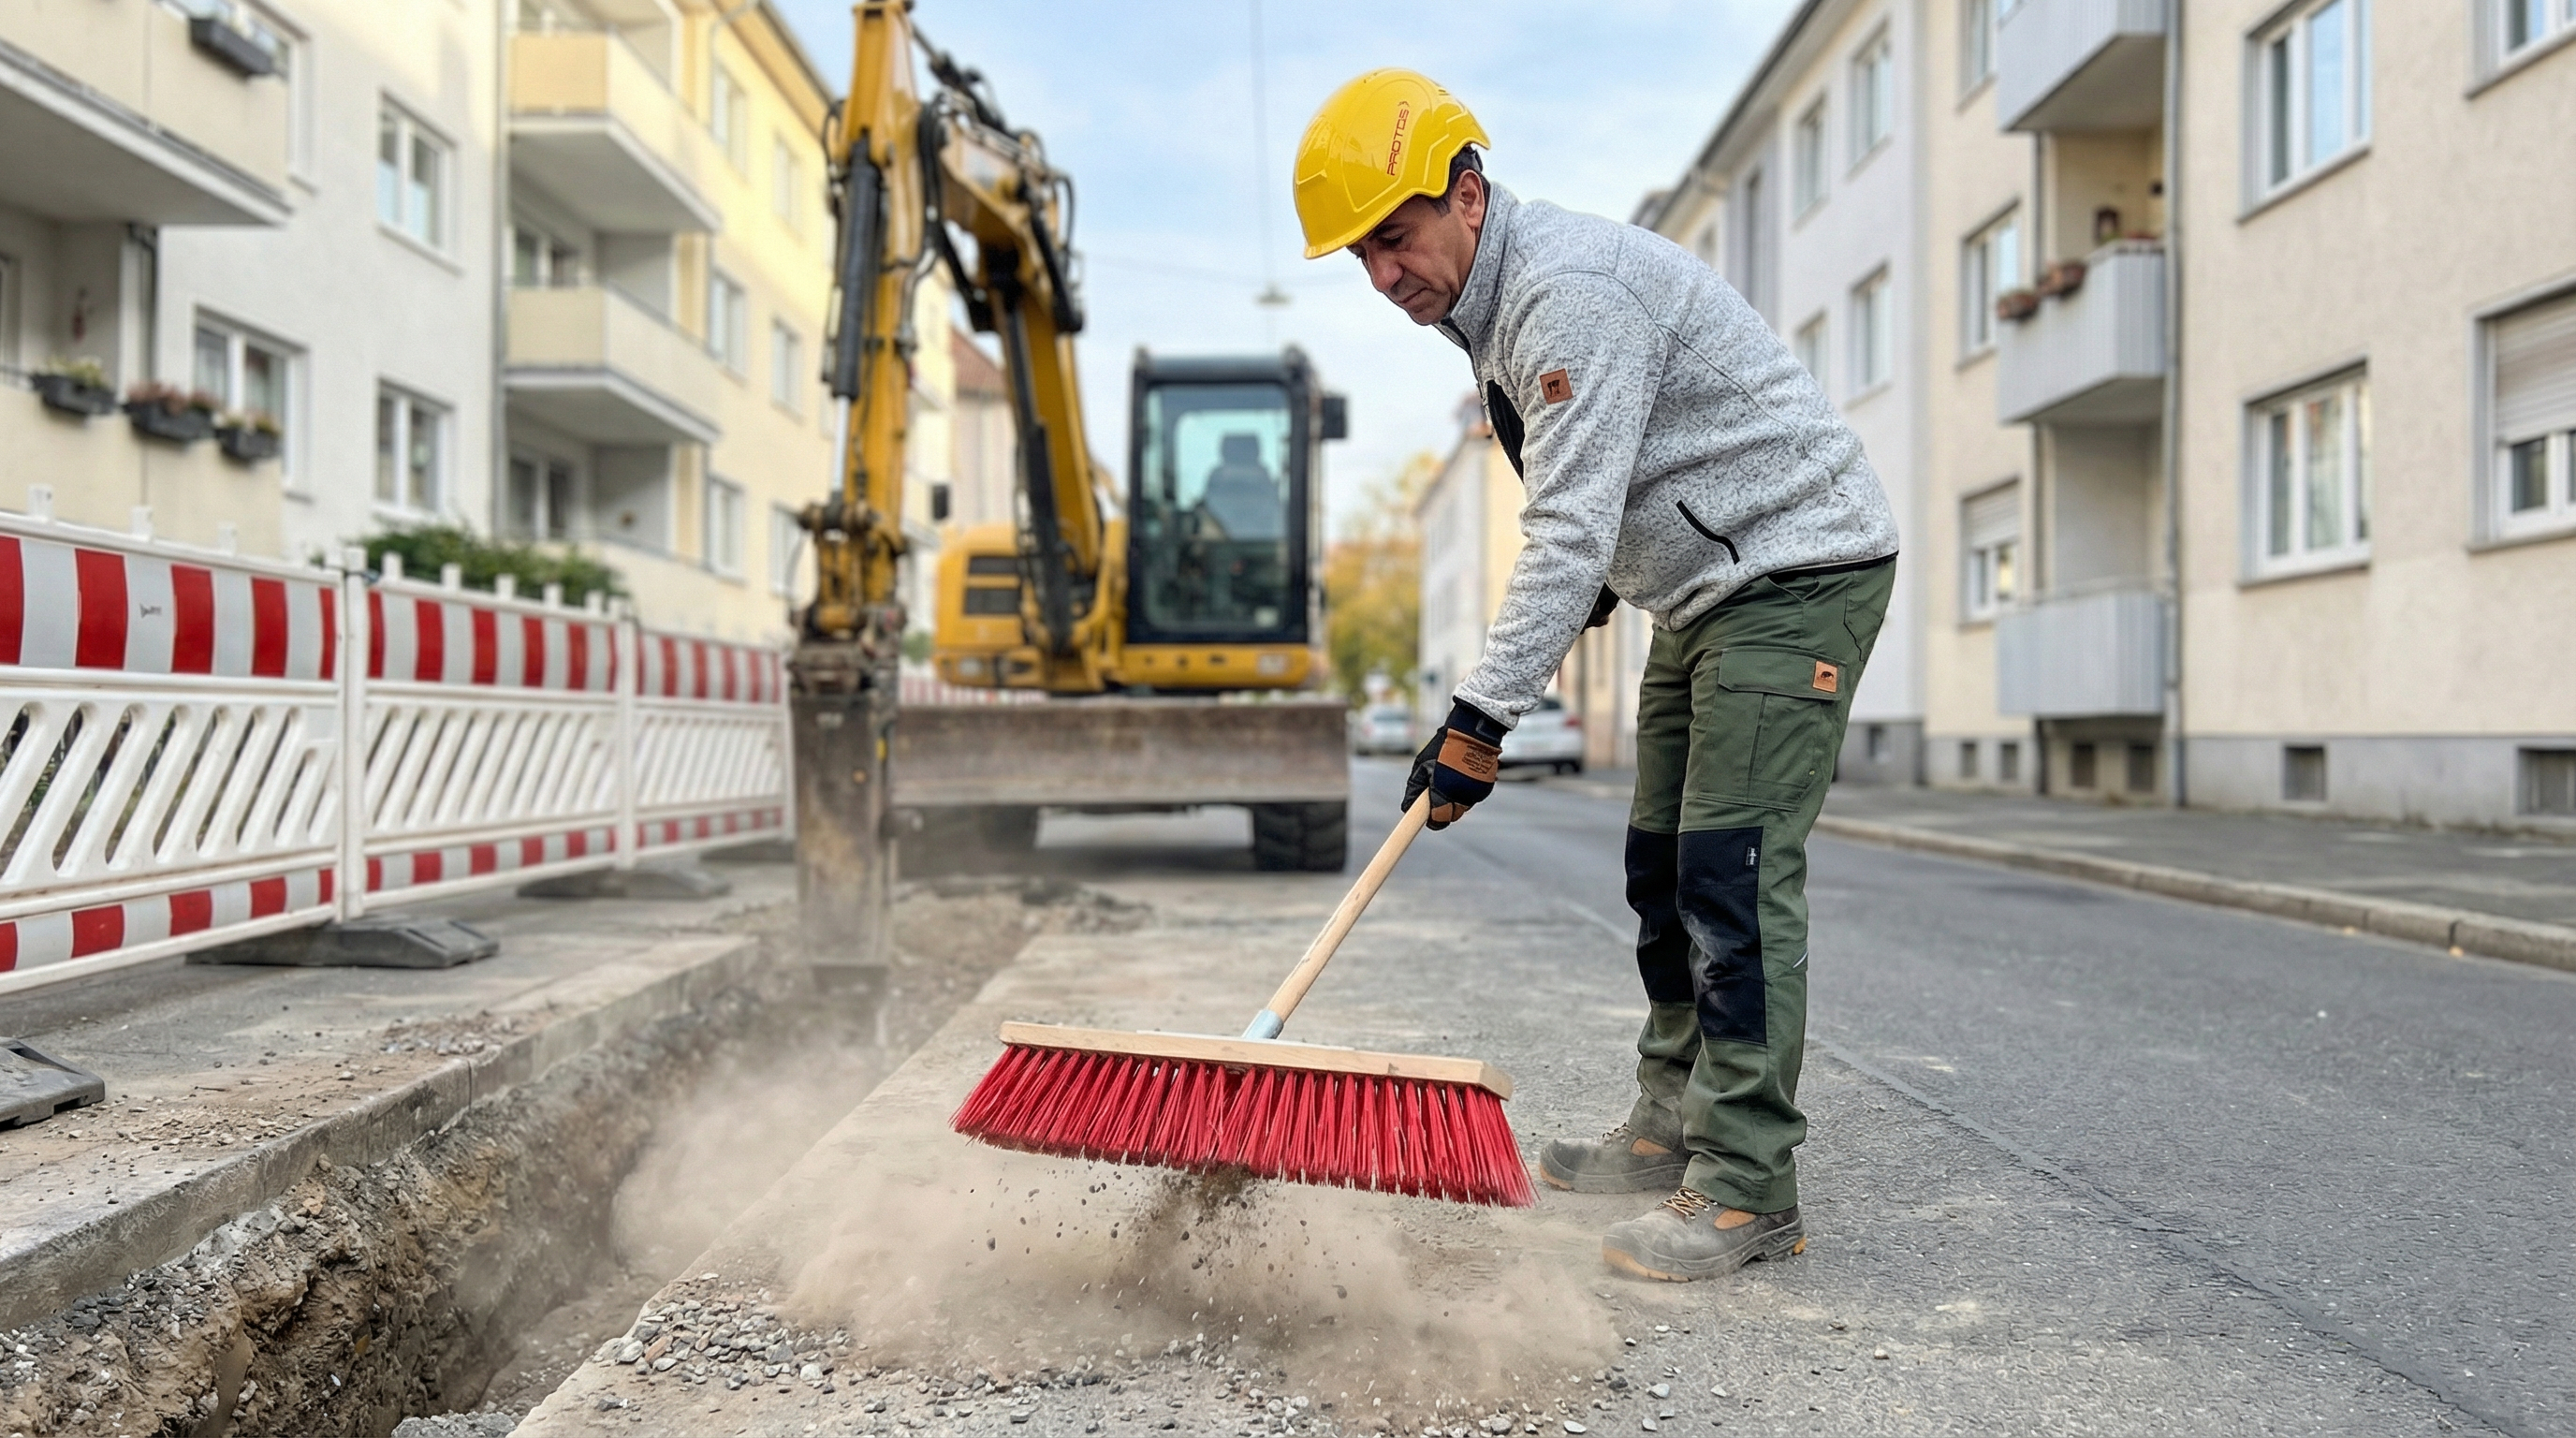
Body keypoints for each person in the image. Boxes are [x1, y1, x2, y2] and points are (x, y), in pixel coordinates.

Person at [1293, 70, 1899, 1282]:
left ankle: (1747, 1184)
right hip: (1705, 591)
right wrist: (1612, 584)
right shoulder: (1495, 308)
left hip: (1795, 570)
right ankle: (1672, 1125)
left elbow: (1566, 532)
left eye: (1395, 241)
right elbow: (1603, 497)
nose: (1382, 278)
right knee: (1659, 866)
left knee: (1730, 872)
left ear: (1467, 194)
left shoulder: (1563, 296)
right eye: (1361, 256)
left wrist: (1478, 719)